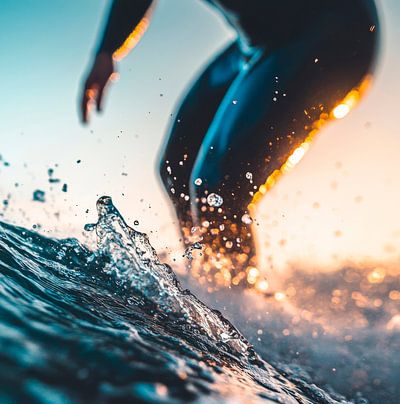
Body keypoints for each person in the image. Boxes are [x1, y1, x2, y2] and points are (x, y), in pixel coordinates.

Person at [80, 0, 379, 288]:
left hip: (331, 32)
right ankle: (206, 285)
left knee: (219, 186)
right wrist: (107, 50)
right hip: (258, 42)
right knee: (178, 168)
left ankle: (239, 312)